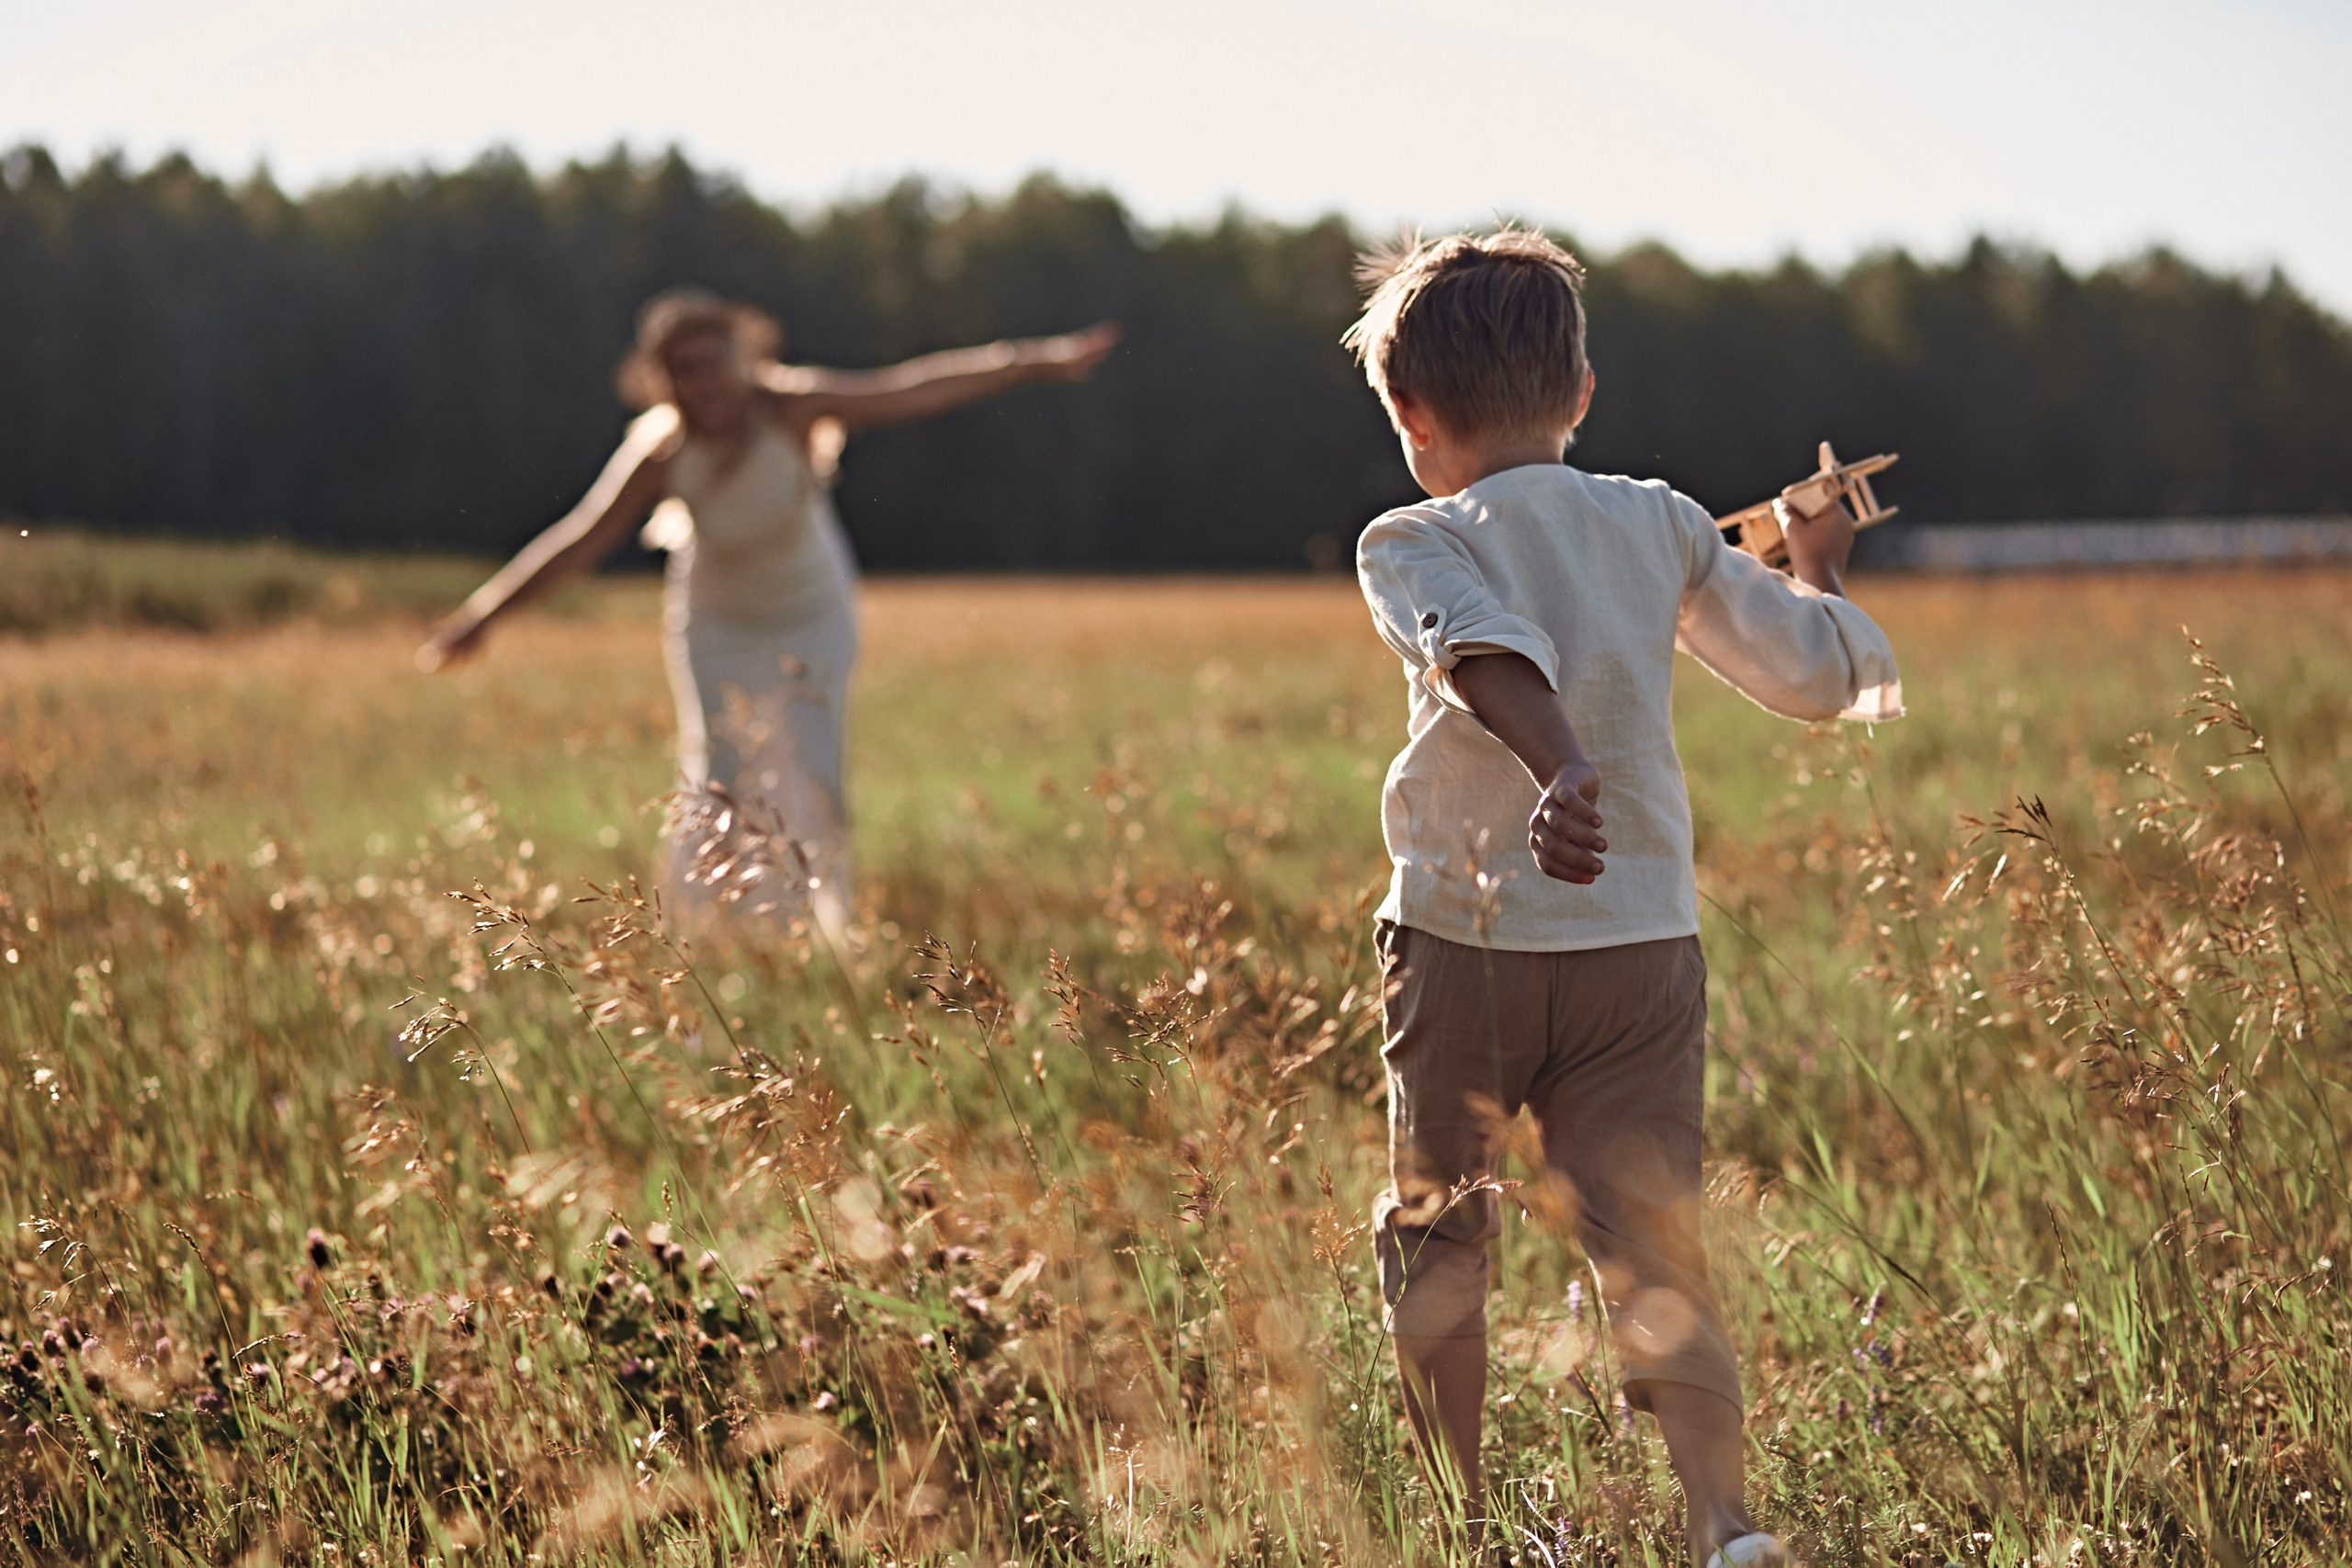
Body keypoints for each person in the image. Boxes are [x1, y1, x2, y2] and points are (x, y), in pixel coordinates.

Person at [1347, 231, 1902, 1568]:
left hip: (1464, 933)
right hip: (1641, 944)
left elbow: (1481, 644)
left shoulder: (1408, 535)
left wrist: (1560, 766)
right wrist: (1813, 563)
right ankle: (1724, 1522)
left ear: (1409, 416)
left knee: (1440, 1227)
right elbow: (1814, 676)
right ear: (1582, 391)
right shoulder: (1658, 519)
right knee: (1654, 1242)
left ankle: (1460, 1528)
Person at [418, 290, 1118, 938]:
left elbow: (911, 388)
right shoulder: (659, 453)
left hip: (812, 613)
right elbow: (578, 538)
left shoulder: (794, 406)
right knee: (722, 776)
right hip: (715, 624)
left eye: (712, 362)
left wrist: (1033, 362)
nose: (702, 382)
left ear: (743, 359)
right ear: (665, 382)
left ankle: (816, 928)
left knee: (810, 769)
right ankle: (711, 934)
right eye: (682, 370)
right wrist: (482, 615)